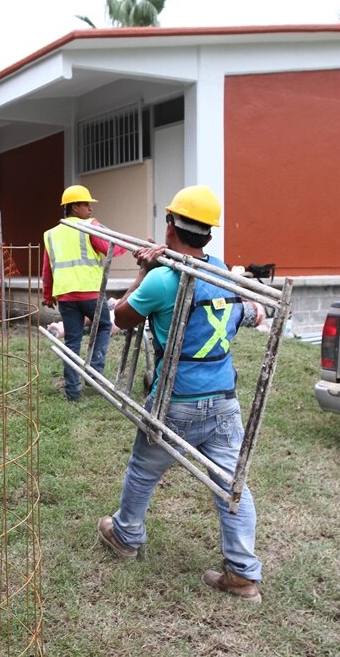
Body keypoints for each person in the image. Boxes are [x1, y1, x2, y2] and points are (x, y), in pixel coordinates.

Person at [97, 184, 266, 603]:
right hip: (224, 398)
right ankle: (243, 574)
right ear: (208, 236)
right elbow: (243, 310)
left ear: (170, 226)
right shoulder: (222, 271)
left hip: (177, 400)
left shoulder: (163, 279)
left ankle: (126, 535)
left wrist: (143, 270)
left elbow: (122, 318)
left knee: (143, 467)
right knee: (232, 485)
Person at [42, 184, 125, 401]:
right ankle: (94, 373)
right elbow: (110, 248)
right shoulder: (90, 227)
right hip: (90, 293)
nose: (90, 208)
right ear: (74, 207)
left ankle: (73, 391)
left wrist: (47, 294)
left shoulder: (51, 234)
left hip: (66, 297)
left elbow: (47, 267)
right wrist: (124, 245)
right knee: (104, 326)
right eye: (85, 204)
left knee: (72, 341)